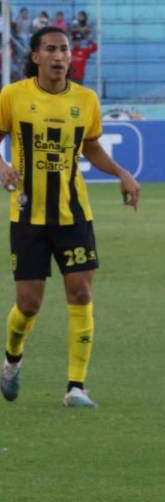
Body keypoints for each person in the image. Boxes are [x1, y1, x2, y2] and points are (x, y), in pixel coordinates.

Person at [0, 27, 141, 408]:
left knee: (80, 292)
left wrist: (122, 174)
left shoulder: (86, 100)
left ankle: (76, 387)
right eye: (51, 49)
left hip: (73, 214)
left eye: (64, 49)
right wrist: (1, 165)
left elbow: (91, 146)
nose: (60, 56)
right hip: (28, 215)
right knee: (28, 304)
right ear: (35, 57)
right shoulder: (13, 96)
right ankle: (12, 358)